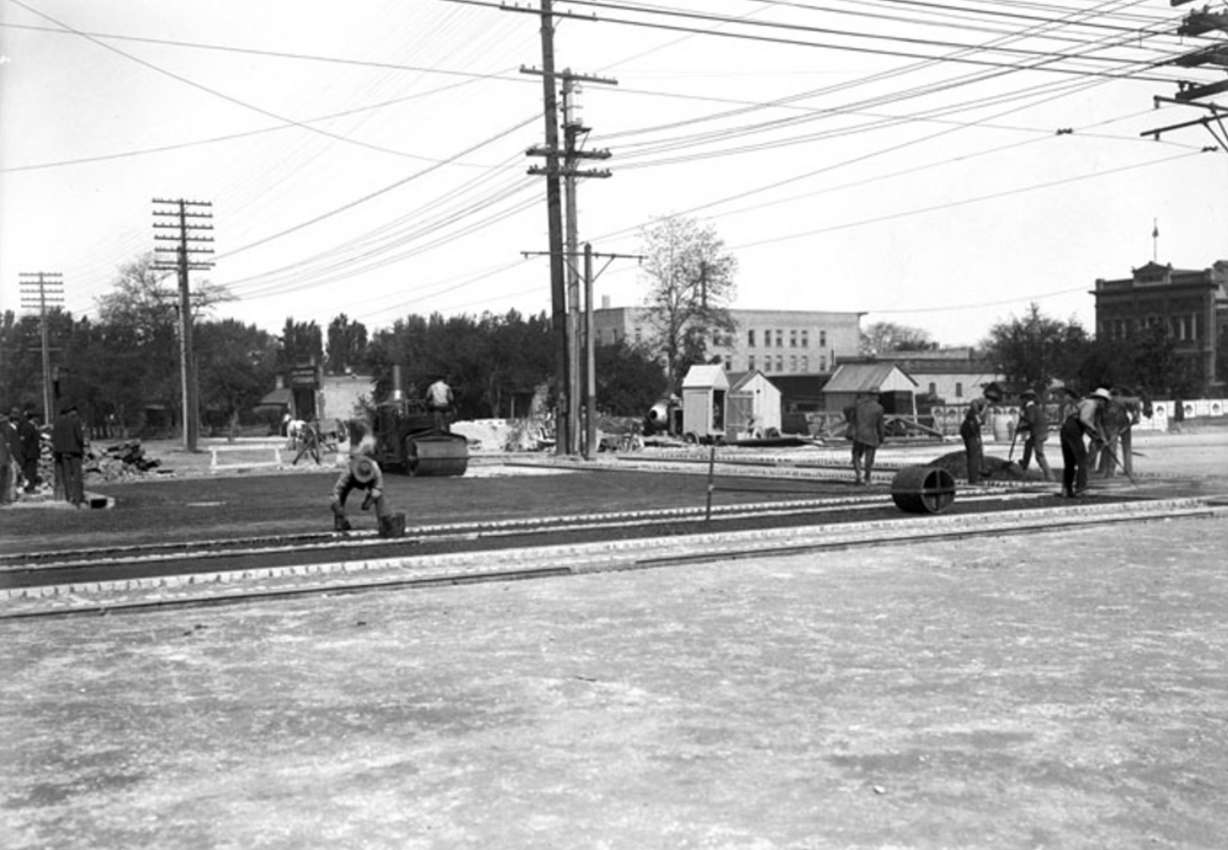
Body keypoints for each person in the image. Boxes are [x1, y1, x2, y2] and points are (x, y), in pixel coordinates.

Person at [329, 418, 393, 533]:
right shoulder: (348, 471)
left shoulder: (375, 469)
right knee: (340, 498)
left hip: (371, 481)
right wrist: (338, 508)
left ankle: (384, 522)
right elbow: (336, 491)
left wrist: (368, 502)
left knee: (380, 498)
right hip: (351, 480)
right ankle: (340, 522)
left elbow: (378, 488)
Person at [1058, 387, 1110, 498]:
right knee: (1082, 460)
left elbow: (1087, 425)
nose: (1104, 405)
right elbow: (1084, 420)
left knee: (1070, 462)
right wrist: (1096, 433)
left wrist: (1097, 437)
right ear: (1101, 400)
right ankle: (1081, 489)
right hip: (1073, 430)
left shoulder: (1086, 403)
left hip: (1066, 430)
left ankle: (1066, 489)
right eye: (1105, 402)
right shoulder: (1091, 404)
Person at [960, 384, 1001, 484]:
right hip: (969, 428)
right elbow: (973, 403)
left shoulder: (986, 406)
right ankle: (973, 480)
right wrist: (977, 416)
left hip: (972, 428)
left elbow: (981, 421)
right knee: (973, 454)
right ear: (992, 399)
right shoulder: (983, 402)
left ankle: (977, 474)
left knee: (976, 452)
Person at [52, 402, 86, 507]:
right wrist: (83, 445)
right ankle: (78, 497)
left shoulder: (57, 422)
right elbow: (79, 437)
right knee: (77, 475)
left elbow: (54, 437)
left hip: (63, 452)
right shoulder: (76, 421)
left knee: (67, 475)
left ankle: (69, 496)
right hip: (75, 451)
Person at [848, 391, 885, 485]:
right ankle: (867, 478)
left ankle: (858, 476)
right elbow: (880, 425)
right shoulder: (879, 408)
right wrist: (882, 437)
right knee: (869, 459)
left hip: (858, 434)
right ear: (876, 396)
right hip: (871, 435)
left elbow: (850, 416)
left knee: (856, 455)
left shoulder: (858, 406)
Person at [1015, 389, 1052, 481]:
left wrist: (1023, 417)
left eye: (1022, 399)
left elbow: (1031, 420)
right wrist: (1021, 428)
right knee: (1028, 444)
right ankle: (1024, 464)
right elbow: (1032, 423)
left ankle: (1050, 476)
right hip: (1039, 432)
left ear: (1026, 399)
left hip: (1039, 433)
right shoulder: (1034, 407)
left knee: (1039, 455)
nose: (1021, 402)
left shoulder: (1030, 407)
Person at [15, 408, 41, 493]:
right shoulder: (28, 427)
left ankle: (31, 486)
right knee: (30, 471)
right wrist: (25, 453)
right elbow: (25, 441)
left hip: (32, 453)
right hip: (29, 453)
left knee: (32, 471)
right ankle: (30, 488)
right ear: (32, 418)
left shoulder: (32, 426)